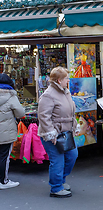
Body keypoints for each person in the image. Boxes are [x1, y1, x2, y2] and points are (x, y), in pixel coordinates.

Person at [38, 67, 79, 197]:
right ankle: (56, 188)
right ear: (59, 80)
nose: (68, 80)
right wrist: (50, 133)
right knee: (57, 160)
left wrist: (74, 126)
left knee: (72, 155)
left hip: (65, 133)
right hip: (55, 134)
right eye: (66, 78)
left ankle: (60, 181)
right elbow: (43, 116)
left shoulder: (65, 92)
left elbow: (71, 113)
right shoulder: (48, 95)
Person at [0, 74, 25, 189]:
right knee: (4, 156)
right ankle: (3, 181)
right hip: (6, 131)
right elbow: (20, 113)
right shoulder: (11, 96)